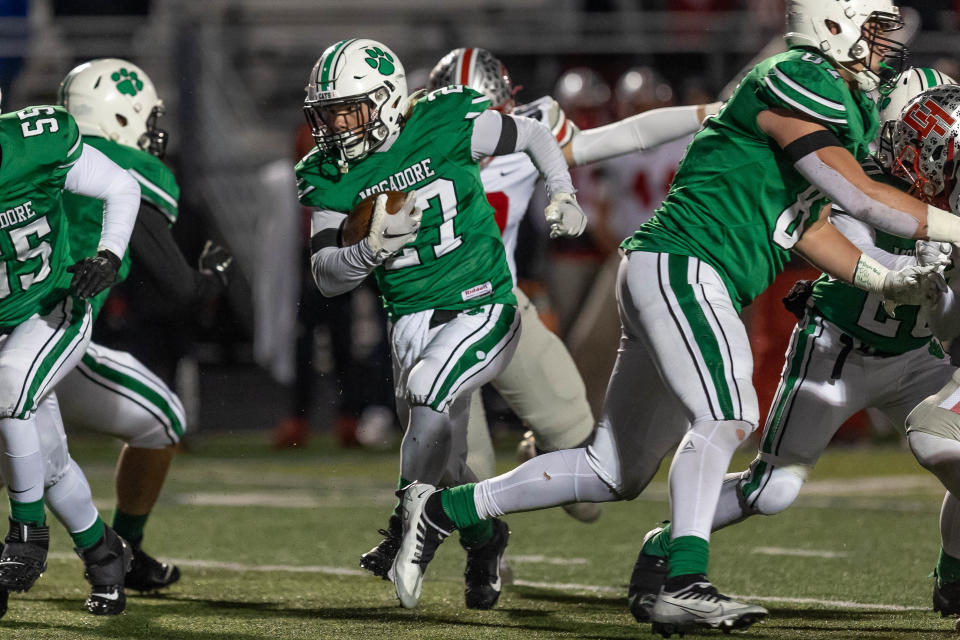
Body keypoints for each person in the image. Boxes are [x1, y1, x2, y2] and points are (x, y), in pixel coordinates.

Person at [389, 1, 960, 632]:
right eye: (875, 29)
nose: (885, 43)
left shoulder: (842, 106)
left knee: (613, 470)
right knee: (727, 412)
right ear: (836, 26)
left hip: (681, 270)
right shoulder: (800, 77)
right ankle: (684, 579)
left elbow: (803, 225)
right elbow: (861, 197)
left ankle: (450, 509)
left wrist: (883, 277)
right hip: (686, 262)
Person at [627, 67, 960, 622]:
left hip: (916, 355)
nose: (941, 158)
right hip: (840, 350)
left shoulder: (949, 180)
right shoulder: (850, 171)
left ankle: (954, 577)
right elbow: (861, 256)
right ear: (900, 134)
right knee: (772, 491)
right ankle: (668, 541)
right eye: (933, 143)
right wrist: (919, 269)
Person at [296, 38, 585, 611]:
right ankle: (485, 537)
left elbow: (529, 134)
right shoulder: (326, 170)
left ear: (385, 100)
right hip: (409, 319)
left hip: (481, 301)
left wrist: (562, 192)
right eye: (327, 112)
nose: (334, 125)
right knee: (451, 462)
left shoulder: (446, 117)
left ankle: (408, 521)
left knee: (431, 389)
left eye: (347, 109)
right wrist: (368, 251)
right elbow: (328, 276)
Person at [423, 49, 719, 530]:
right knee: (463, 466)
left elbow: (625, 136)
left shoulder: (527, 136)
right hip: (430, 319)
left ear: (507, 105)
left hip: (501, 305)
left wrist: (703, 113)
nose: (474, 128)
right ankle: (488, 553)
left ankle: (540, 452)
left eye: (484, 114)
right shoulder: (408, 150)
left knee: (587, 482)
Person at [54, 58, 233, 593]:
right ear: (121, 117)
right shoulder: (126, 168)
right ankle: (121, 551)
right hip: (51, 334)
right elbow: (177, 287)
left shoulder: (37, 148)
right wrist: (212, 278)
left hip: (12, 323)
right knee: (163, 417)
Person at [0, 97, 141, 613]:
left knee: (12, 384)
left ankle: (27, 534)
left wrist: (109, 255)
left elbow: (122, 186)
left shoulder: (36, 141)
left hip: (51, 308)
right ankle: (105, 554)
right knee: (49, 463)